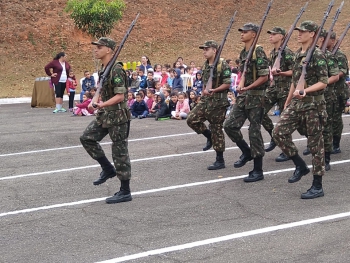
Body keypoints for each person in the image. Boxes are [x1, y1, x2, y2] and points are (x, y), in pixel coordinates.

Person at [273, 21, 329, 199]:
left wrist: (306, 90)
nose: (299, 34)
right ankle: (300, 165)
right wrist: (288, 100)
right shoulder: (298, 54)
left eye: (303, 32)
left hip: (313, 104)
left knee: (315, 146)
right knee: (278, 132)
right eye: (298, 31)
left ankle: (317, 185)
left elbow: (324, 81)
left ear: (312, 34)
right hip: (297, 104)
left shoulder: (317, 54)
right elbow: (295, 80)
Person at [79, 37, 132, 204]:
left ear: (108, 50)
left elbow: (120, 96)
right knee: (87, 138)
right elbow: (102, 90)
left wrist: (100, 105)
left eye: (99, 47)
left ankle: (125, 190)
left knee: (119, 152)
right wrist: (94, 101)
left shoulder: (116, 69)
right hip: (106, 115)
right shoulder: (104, 69)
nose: (96, 50)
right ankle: (107, 168)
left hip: (118, 116)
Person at [224, 23, 269, 182]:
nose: (242, 34)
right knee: (229, 125)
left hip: (256, 96)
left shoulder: (258, 51)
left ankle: (258, 170)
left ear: (254, 34)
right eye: (241, 31)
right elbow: (243, 73)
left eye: (245, 32)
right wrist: (242, 86)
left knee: (254, 131)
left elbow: (264, 76)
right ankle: (246, 151)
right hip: (244, 96)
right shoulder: (244, 52)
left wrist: (248, 86)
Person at [187, 40, 231, 170]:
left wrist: (214, 90)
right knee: (191, 119)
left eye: (207, 49)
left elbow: (227, 83)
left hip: (218, 101)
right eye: (203, 49)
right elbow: (205, 82)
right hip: (206, 100)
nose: (204, 51)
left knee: (216, 128)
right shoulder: (206, 65)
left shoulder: (222, 65)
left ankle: (220, 160)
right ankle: (209, 136)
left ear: (214, 50)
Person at [262, 27, 294, 163]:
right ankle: (273, 135)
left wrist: (281, 73)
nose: (271, 36)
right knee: (259, 110)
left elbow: (295, 71)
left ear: (281, 37)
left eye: (274, 34)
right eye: (270, 34)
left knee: (284, 121)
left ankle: (286, 150)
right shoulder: (273, 52)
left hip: (285, 89)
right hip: (274, 87)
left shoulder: (287, 52)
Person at [330, 32, 349, 154]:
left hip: (338, 91)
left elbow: (343, 71)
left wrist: (330, 77)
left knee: (336, 118)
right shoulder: (323, 54)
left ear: (332, 40)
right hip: (327, 92)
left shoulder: (339, 54)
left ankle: (335, 144)